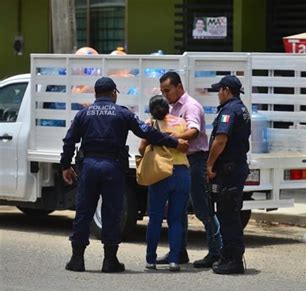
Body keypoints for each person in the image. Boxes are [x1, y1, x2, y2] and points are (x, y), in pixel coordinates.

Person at [61, 77, 188, 273]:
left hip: (89, 167)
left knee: (84, 211)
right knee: (112, 212)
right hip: (113, 167)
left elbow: (69, 141)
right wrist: (174, 143)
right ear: (113, 93)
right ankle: (110, 260)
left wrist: (65, 166)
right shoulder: (123, 113)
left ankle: (77, 259)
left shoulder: (83, 114)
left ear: (96, 94)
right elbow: (148, 133)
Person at [158, 71, 223, 268]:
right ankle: (178, 251)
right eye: (162, 91)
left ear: (179, 87)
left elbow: (194, 131)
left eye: (167, 90)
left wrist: (170, 140)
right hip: (181, 162)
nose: (165, 95)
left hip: (196, 161)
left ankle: (216, 252)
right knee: (176, 209)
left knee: (203, 209)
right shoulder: (171, 107)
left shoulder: (190, 106)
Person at [139, 95, 191, 272]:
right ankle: (174, 260)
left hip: (160, 173)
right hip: (182, 173)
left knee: (155, 218)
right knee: (176, 219)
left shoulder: (150, 124)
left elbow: (141, 148)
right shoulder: (181, 122)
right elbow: (187, 143)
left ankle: (151, 260)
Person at [207, 75, 250, 275]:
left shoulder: (229, 111)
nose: (218, 95)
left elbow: (221, 140)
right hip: (235, 168)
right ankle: (230, 256)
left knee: (227, 214)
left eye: (219, 91)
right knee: (230, 212)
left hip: (228, 170)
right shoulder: (241, 109)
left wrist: (209, 164)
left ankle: (233, 260)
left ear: (226, 90)